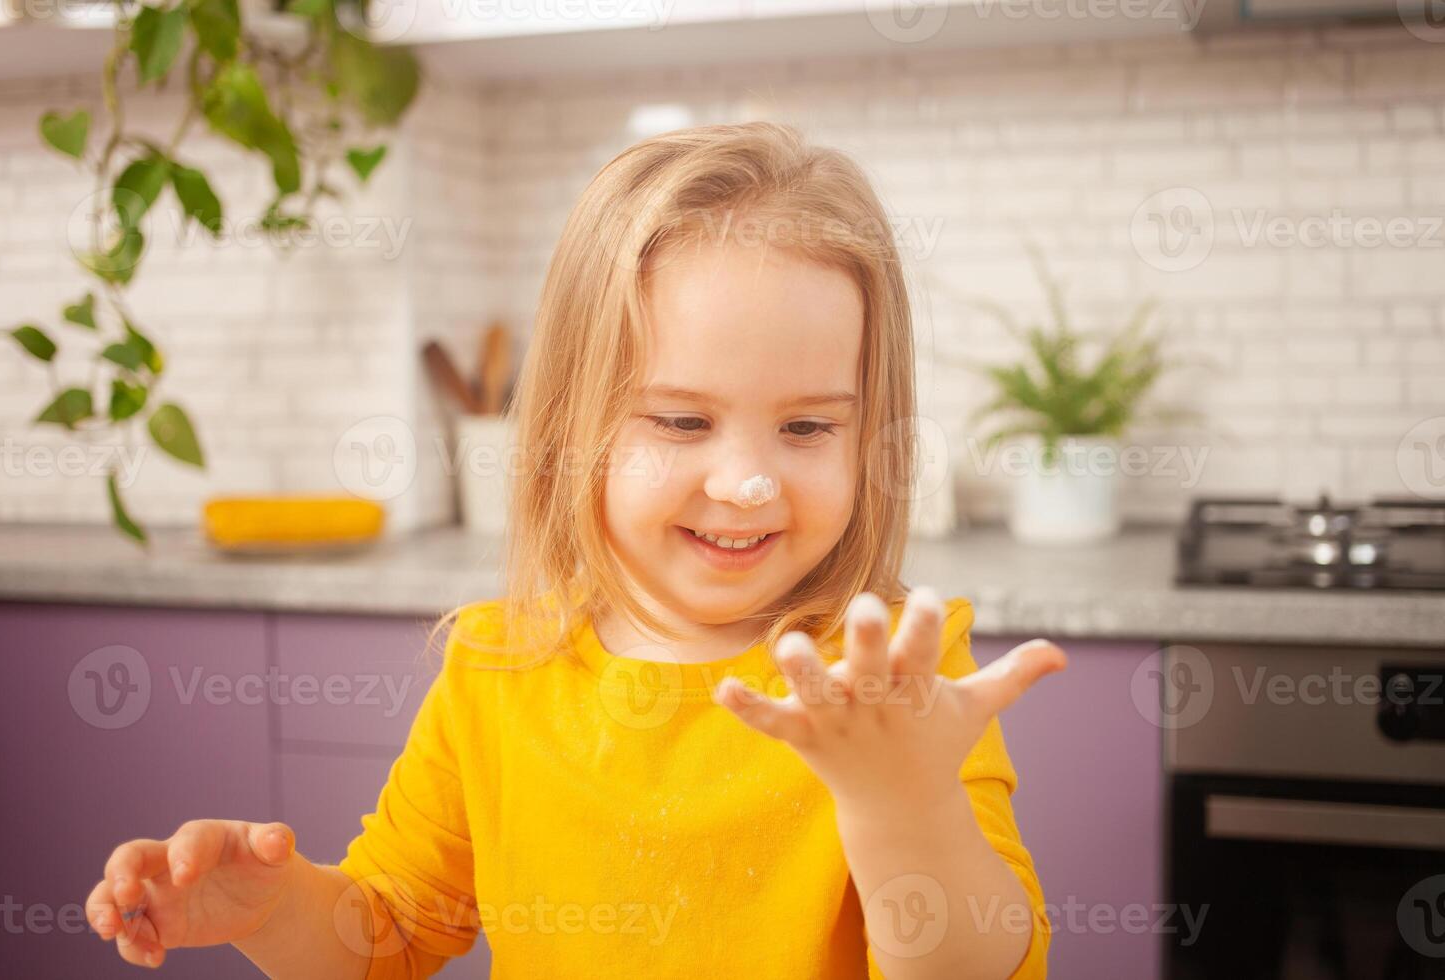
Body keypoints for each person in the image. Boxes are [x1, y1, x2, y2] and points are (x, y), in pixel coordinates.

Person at [85, 121, 1067, 979]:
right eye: (683, 421)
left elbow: (981, 964)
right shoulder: (497, 668)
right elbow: (380, 937)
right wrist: (273, 908)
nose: (748, 481)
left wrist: (902, 803)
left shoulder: (890, 677)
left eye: (808, 428)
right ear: (568, 424)